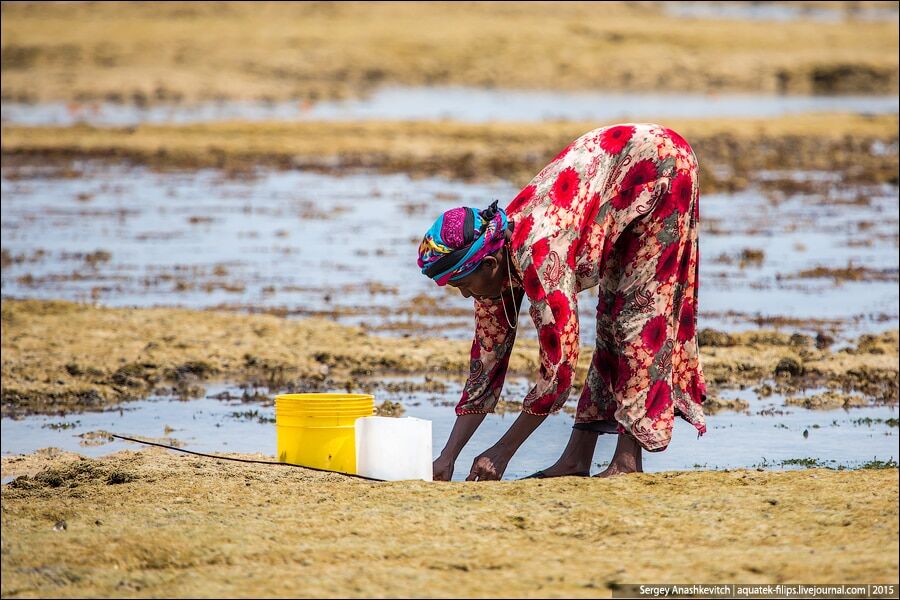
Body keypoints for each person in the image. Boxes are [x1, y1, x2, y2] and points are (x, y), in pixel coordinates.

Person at [417, 123, 708, 481]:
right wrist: (447, 458)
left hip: (659, 167)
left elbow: (559, 371)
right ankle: (576, 459)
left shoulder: (540, 256)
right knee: (610, 320)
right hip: (616, 175)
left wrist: (502, 452)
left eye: (463, 285)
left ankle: (626, 463)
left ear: (489, 265)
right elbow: (486, 367)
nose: (465, 295)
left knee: (637, 317)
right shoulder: (491, 264)